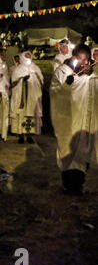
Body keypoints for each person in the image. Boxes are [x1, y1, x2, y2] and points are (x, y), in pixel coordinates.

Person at [50, 44, 97, 195]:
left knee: (83, 151)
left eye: (87, 59)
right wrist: (66, 85)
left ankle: (78, 184)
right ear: (73, 57)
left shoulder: (90, 76)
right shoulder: (62, 72)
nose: (84, 63)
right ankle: (68, 183)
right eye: (81, 59)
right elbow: (55, 92)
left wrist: (90, 75)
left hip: (83, 121)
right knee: (68, 150)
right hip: (66, 121)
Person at [10, 51, 44, 143]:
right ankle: (21, 135)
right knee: (21, 114)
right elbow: (13, 83)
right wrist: (22, 80)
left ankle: (29, 135)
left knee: (31, 114)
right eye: (26, 56)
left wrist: (37, 78)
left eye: (29, 56)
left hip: (32, 96)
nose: (28, 58)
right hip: (22, 97)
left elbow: (41, 80)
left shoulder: (35, 67)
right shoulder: (18, 69)